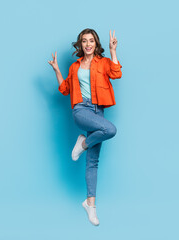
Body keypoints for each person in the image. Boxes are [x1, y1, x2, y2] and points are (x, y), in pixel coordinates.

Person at [48, 28, 122, 226]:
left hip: (98, 111)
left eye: (91, 41)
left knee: (93, 162)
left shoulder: (104, 62)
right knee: (110, 130)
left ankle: (90, 205)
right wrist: (56, 69)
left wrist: (113, 51)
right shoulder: (74, 67)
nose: (88, 44)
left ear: (96, 44)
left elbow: (116, 73)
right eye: (84, 41)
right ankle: (83, 143)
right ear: (80, 45)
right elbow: (65, 90)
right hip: (81, 109)